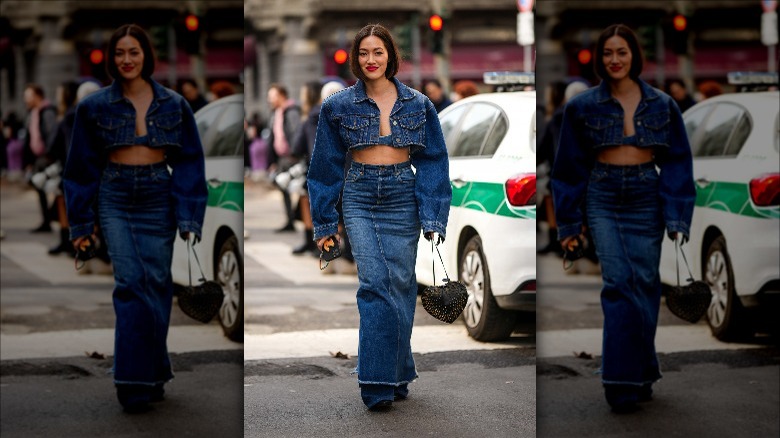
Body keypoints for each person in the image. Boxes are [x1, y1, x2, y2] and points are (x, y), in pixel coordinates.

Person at [551, 24, 695, 413]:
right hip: (603, 196)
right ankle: (619, 382)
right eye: (608, 53)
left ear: (634, 56)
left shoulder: (662, 104)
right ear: (600, 58)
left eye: (622, 52)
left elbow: (679, 164)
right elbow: (567, 169)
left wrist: (678, 216)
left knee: (645, 285)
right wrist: (568, 224)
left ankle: (641, 369)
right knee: (618, 284)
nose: (615, 60)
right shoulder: (582, 107)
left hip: (647, 194)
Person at [63, 24, 207, 413]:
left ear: (146, 55)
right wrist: (80, 224)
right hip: (115, 196)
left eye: (134, 52)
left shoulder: (174, 104)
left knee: (157, 285)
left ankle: (153, 370)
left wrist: (190, 215)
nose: (127, 60)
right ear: (112, 58)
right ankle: (132, 382)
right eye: (120, 53)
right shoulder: (94, 106)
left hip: (159, 193)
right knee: (131, 284)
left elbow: (191, 163)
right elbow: (79, 168)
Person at [307, 23, 451, 410]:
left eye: (378, 52)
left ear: (391, 56)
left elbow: (435, 163)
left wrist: (434, 216)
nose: (371, 60)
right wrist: (324, 223)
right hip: (359, 196)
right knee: (375, 285)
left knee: (401, 287)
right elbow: (324, 167)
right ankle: (375, 383)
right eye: (364, 53)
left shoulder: (419, 104)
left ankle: (397, 372)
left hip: (404, 195)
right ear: (356, 58)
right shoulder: (337, 105)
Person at [22, 83, 58, 232]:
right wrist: (29, 162)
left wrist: (49, 156)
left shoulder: (47, 112)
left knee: (54, 188)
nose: (26, 100)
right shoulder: (33, 113)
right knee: (40, 187)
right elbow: (29, 138)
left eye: (28, 96)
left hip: (47, 156)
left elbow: (51, 135)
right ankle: (47, 219)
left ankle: (51, 217)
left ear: (37, 96)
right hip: (38, 157)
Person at [266, 83, 301, 232]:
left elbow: (296, 133)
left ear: (281, 96)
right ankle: (290, 220)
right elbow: (272, 138)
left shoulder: (291, 112)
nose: (270, 100)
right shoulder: (276, 113)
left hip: (292, 157)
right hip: (281, 158)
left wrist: (295, 154)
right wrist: (272, 161)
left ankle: (300, 217)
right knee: (283, 188)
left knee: (301, 189)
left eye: (272, 96)